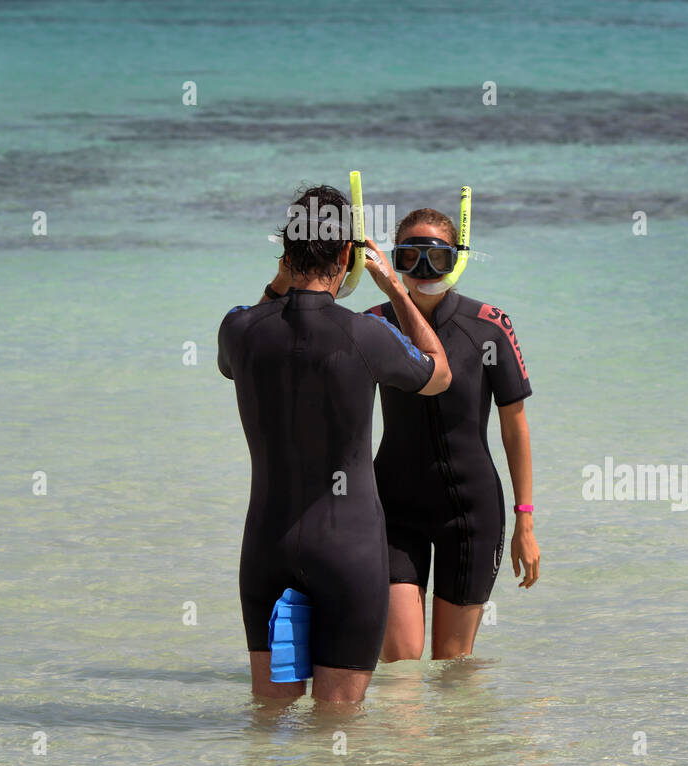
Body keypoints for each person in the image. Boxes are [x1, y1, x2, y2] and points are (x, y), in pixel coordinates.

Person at [217, 185, 451, 704]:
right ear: (347, 255)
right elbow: (439, 374)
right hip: (349, 549)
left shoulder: (238, 330)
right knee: (338, 726)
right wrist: (396, 290)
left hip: (266, 546)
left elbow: (232, 358)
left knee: (268, 718)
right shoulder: (365, 334)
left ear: (286, 250)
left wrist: (281, 278)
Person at [366, 206, 540, 662]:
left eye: (437, 258)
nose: (423, 271)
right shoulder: (371, 326)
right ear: (392, 262)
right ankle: (401, 738)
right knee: (401, 659)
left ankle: (461, 738)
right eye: (409, 257)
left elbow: (514, 425)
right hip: (392, 510)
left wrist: (526, 518)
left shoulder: (489, 326)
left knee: (452, 666)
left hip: (471, 513)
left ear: (458, 258)